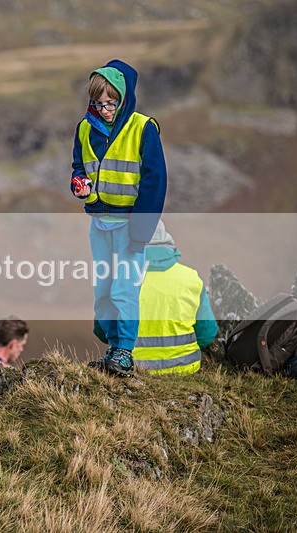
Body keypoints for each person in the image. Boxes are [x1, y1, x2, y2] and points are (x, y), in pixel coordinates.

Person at [70, 59, 167, 377]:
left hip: (130, 226)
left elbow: (155, 181)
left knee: (124, 288)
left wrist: (141, 231)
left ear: (124, 99)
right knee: (104, 288)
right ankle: (113, 348)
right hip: (99, 223)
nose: (105, 109)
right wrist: (79, 184)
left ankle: (125, 352)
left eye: (111, 103)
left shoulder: (143, 128)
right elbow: (79, 167)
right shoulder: (85, 128)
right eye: (99, 103)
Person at [92, 221, 218, 374]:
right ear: (167, 243)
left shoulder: (119, 279)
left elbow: (102, 332)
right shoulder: (192, 278)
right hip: (184, 367)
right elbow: (207, 334)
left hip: (131, 368)